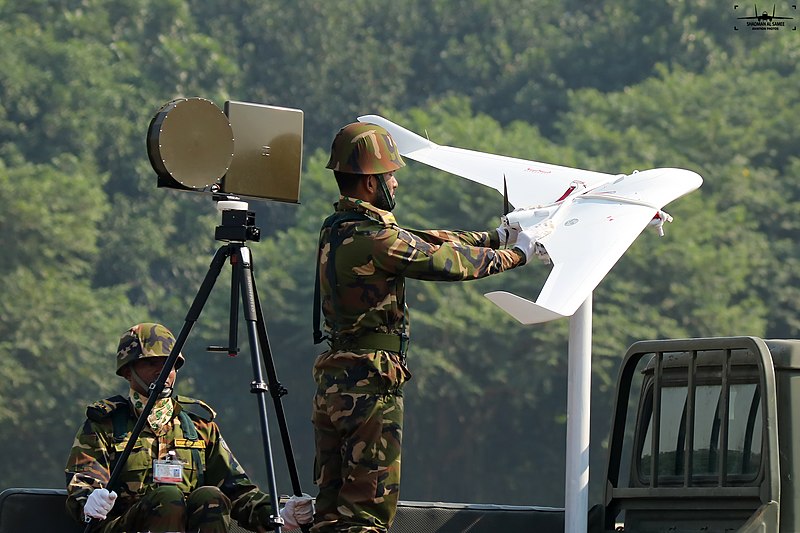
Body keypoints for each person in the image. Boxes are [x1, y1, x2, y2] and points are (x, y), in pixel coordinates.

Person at [310, 122, 551, 532]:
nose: (396, 182)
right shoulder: (377, 240)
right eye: (390, 174)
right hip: (369, 386)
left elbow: (427, 239)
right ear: (370, 183)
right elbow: (444, 262)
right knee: (366, 515)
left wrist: (495, 236)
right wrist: (518, 254)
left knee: (331, 514)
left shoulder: (340, 230)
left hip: (336, 383)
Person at [65, 322, 314, 533]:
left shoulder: (198, 427)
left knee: (210, 496)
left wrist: (279, 513)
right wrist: (89, 502)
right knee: (168, 496)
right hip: (127, 525)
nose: (163, 371)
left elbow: (238, 492)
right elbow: (83, 484)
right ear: (128, 372)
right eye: (152, 363)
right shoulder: (105, 424)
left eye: (170, 364)